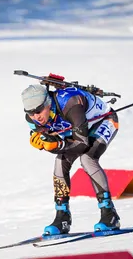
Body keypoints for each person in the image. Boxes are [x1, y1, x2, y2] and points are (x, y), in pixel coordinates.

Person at [21, 82, 120, 235]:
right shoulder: (32, 119)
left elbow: (82, 144)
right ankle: (62, 218)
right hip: (76, 130)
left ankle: (109, 214)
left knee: (88, 159)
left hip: (104, 121)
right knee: (60, 162)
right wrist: (42, 142)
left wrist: (57, 145)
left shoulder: (71, 103)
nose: (36, 117)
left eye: (39, 110)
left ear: (48, 103)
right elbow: (51, 141)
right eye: (30, 112)